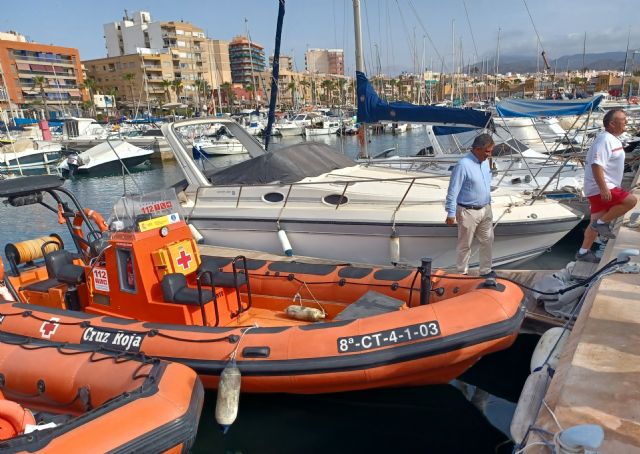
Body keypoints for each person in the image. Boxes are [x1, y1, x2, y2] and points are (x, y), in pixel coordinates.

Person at [576, 108, 637, 262]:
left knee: (594, 221)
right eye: (623, 120)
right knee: (631, 201)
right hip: (600, 187)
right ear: (612, 124)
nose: (626, 122)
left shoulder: (612, 138)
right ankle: (602, 224)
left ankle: (583, 252)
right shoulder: (604, 140)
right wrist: (603, 188)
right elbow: (597, 165)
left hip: (600, 186)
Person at [445, 133, 495, 277]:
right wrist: (451, 213)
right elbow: (453, 190)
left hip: (485, 209)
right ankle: (461, 273)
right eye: (487, 151)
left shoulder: (485, 162)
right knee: (464, 245)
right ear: (477, 149)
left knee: (488, 241)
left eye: (490, 151)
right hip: (468, 211)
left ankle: (486, 271)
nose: (489, 154)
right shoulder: (463, 165)